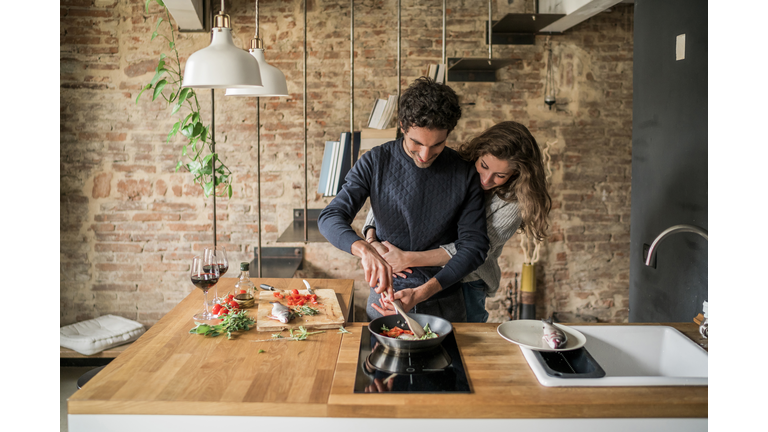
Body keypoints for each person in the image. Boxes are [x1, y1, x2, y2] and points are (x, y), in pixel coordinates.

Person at [318, 77, 490, 322]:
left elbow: (474, 247)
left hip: (445, 299)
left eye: (437, 145)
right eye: (416, 143)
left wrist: (422, 293)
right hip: (386, 299)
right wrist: (365, 249)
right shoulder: (375, 161)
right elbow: (330, 217)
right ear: (402, 126)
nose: (425, 155)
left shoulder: (464, 172)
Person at [364, 121, 551, 322]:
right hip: (417, 271)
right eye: (484, 166)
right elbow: (393, 197)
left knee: (463, 344)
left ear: (516, 174)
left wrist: (407, 258)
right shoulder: (454, 168)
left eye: (500, 175)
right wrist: (371, 239)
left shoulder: (513, 205)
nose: (486, 179)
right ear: (477, 153)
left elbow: (471, 251)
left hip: (468, 281)